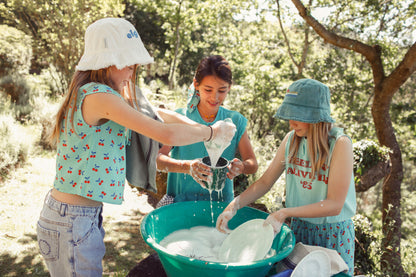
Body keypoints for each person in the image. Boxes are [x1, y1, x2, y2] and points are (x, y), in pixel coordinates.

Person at [36, 18, 235, 277]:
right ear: (109, 62)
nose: (132, 72)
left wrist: (209, 132)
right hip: (72, 219)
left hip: (78, 216)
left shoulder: (101, 93)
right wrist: (211, 132)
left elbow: (157, 114)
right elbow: (165, 133)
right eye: (129, 66)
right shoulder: (99, 96)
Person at [216, 79, 356, 275]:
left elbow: (334, 204)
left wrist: (284, 212)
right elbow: (265, 182)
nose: (291, 123)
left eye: (297, 116)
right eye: (289, 116)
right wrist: (235, 205)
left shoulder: (340, 144)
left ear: (316, 116)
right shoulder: (291, 140)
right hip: (299, 228)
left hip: (331, 233)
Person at [156, 55, 258, 206]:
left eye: (222, 90)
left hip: (221, 204)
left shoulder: (235, 121)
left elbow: (253, 164)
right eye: (208, 89)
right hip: (181, 202)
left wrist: (242, 167)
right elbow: (158, 160)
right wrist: (187, 167)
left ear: (229, 87)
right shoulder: (180, 118)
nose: (214, 97)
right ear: (196, 84)